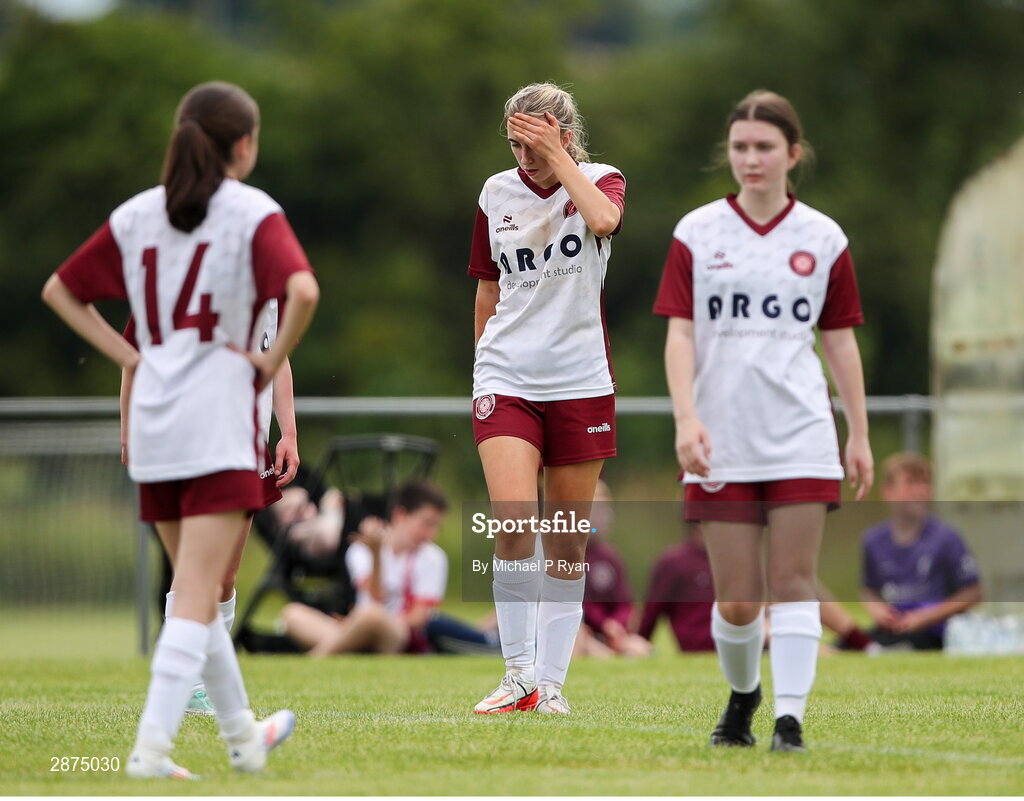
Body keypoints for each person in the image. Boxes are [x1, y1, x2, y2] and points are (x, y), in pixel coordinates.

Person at [42, 81, 319, 779]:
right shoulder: (251, 210)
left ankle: (242, 738)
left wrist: (132, 356)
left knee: (200, 590)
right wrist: (269, 358)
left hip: (156, 420)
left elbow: (60, 289)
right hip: (219, 417)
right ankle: (151, 747)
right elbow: (306, 292)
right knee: (200, 594)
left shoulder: (139, 213)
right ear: (244, 145)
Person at [654, 89, 873, 752]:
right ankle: (745, 692)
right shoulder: (697, 231)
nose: (751, 159)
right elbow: (680, 334)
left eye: (765, 147)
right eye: (741, 147)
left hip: (801, 431)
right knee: (740, 602)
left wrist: (857, 431)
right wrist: (686, 418)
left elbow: (838, 340)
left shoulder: (824, 236)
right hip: (723, 436)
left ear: (792, 154)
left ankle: (790, 719)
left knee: (794, 581)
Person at [468, 83, 625, 715]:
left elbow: (603, 221)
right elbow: (486, 290)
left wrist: (558, 159)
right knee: (512, 521)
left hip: (580, 382)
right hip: (507, 377)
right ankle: (518, 676)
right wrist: (481, 368)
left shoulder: (601, 179)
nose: (521, 157)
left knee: (566, 540)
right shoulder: (494, 193)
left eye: (532, 142)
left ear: (562, 134)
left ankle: (553, 687)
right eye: (513, 144)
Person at [123, 300, 301, 716]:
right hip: (190, 438)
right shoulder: (177, 268)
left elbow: (276, 352)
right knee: (195, 568)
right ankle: (187, 684)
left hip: (247, 445)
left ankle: (197, 684)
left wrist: (288, 430)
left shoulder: (269, 273)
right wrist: (130, 428)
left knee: (224, 576)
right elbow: (133, 358)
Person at [280, 480, 449, 656]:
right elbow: (373, 595)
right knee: (292, 614)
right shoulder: (359, 549)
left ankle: (319, 656)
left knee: (371, 616)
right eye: (427, 524)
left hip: (396, 632)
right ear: (400, 515)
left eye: (437, 526)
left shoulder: (433, 557)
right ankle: (351, 645)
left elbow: (417, 618)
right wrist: (356, 626)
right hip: (357, 624)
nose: (432, 533)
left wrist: (367, 623)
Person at [861, 453, 982, 649]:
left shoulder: (946, 537)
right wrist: (877, 609)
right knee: (851, 645)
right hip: (896, 627)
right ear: (888, 491)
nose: (919, 491)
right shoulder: (873, 540)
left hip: (935, 632)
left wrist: (924, 617)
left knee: (903, 647)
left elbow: (974, 592)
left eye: (924, 483)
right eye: (910, 483)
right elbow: (868, 590)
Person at [576, 480, 651, 658]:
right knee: (586, 645)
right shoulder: (569, 555)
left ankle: (615, 651)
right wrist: (603, 624)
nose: (606, 516)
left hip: (610, 633)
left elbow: (625, 604)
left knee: (641, 649)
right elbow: (581, 604)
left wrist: (616, 624)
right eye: (598, 511)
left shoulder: (611, 557)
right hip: (583, 632)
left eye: (607, 509)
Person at [638, 522, 716, 652]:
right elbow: (653, 610)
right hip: (701, 643)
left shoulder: (729, 558)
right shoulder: (674, 562)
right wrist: (639, 641)